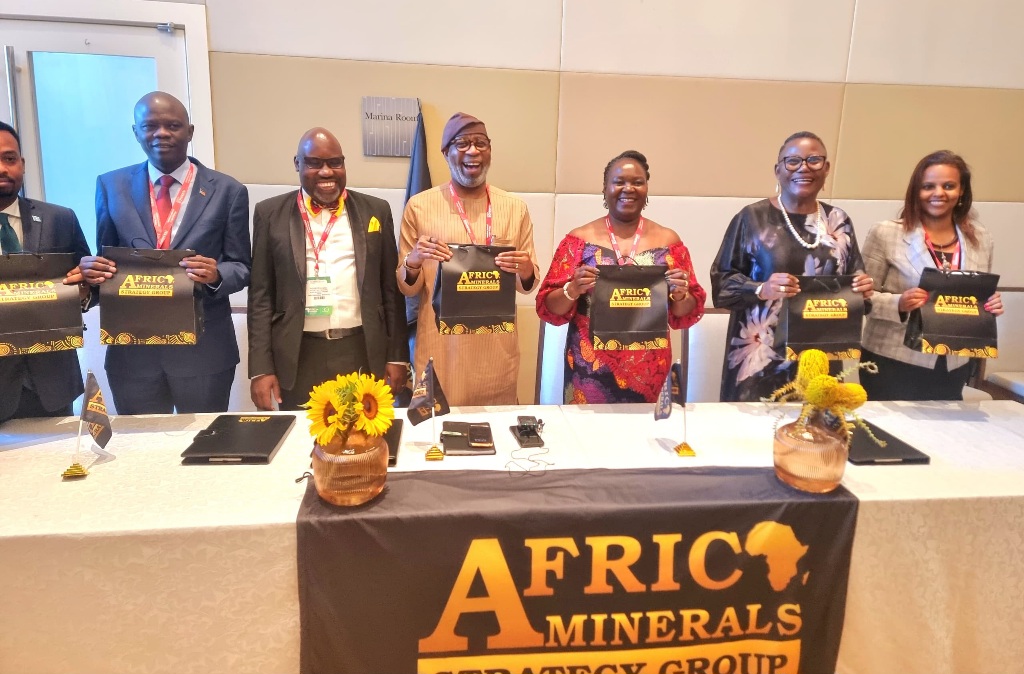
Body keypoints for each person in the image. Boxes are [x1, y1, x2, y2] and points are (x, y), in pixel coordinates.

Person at [79, 91, 251, 414]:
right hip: (133, 354)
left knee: (203, 450)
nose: (161, 133)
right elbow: (106, 266)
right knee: (142, 452)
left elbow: (242, 266)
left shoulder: (228, 191)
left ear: (190, 131)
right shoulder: (111, 186)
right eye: (150, 126)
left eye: (173, 125)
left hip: (204, 352)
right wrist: (91, 275)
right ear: (136, 132)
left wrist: (216, 274)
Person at [248, 128, 409, 411]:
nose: (326, 172)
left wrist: (397, 356)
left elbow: (390, 289)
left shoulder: (376, 210)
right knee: (303, 444)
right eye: (314, 163)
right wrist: (261, 368)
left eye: (335, 162)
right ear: (297, 164)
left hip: (362, 350)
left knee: (364, 442)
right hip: (299, 355)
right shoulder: (269, 214)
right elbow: (261, 295)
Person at [710, 131, 874, 402]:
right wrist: (762, 288)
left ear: (826, 168)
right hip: (760, 361)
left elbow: (857, 288)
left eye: (814, 160)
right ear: (778, 170)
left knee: (816, 440)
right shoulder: (752, 219)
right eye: (793, 161)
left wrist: (863, 289)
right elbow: (722, 286)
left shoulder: (839, 221)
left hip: (821, 359)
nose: (804, 168)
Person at [536, 150, 705, 403]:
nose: (629, 188)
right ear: (605, 188)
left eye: (637, 182)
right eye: (619, 182)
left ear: (647, 188)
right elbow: (550, 308)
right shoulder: (578, 241)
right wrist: (573, 289)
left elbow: (685, 312)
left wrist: (681, 295)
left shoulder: (670, 241)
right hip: (590, 372)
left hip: (650, 372)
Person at [397, 112, 538, 405]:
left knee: (495, 439)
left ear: (489, 151)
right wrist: (413, 261)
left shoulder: (515, 208)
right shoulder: (420, 207)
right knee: (436, 434)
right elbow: (407, 287)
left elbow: (527, 285)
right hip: (441, 347)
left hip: (494, 352)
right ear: (446, 152)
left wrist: (525, 269)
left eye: (481, 143)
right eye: (462, 143)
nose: (473, 151)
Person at [859, 151, 1002, 400]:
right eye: (928, 186)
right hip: (892, 359)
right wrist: (899, 303)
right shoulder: (885, 233)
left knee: (941, 437)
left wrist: (990, 304)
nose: (939, 193)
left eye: (949, 186)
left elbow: (978, 295)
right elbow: (862, 297)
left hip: (952, 363)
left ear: (962, 192)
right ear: (916, 191)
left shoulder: (981, 239)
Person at [0, 122, 93, 423]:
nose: (2, 168)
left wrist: (83, 292)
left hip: (51, 384)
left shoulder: (59, 218)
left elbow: (89, 287)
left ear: (22, 165)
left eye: (9, 159)